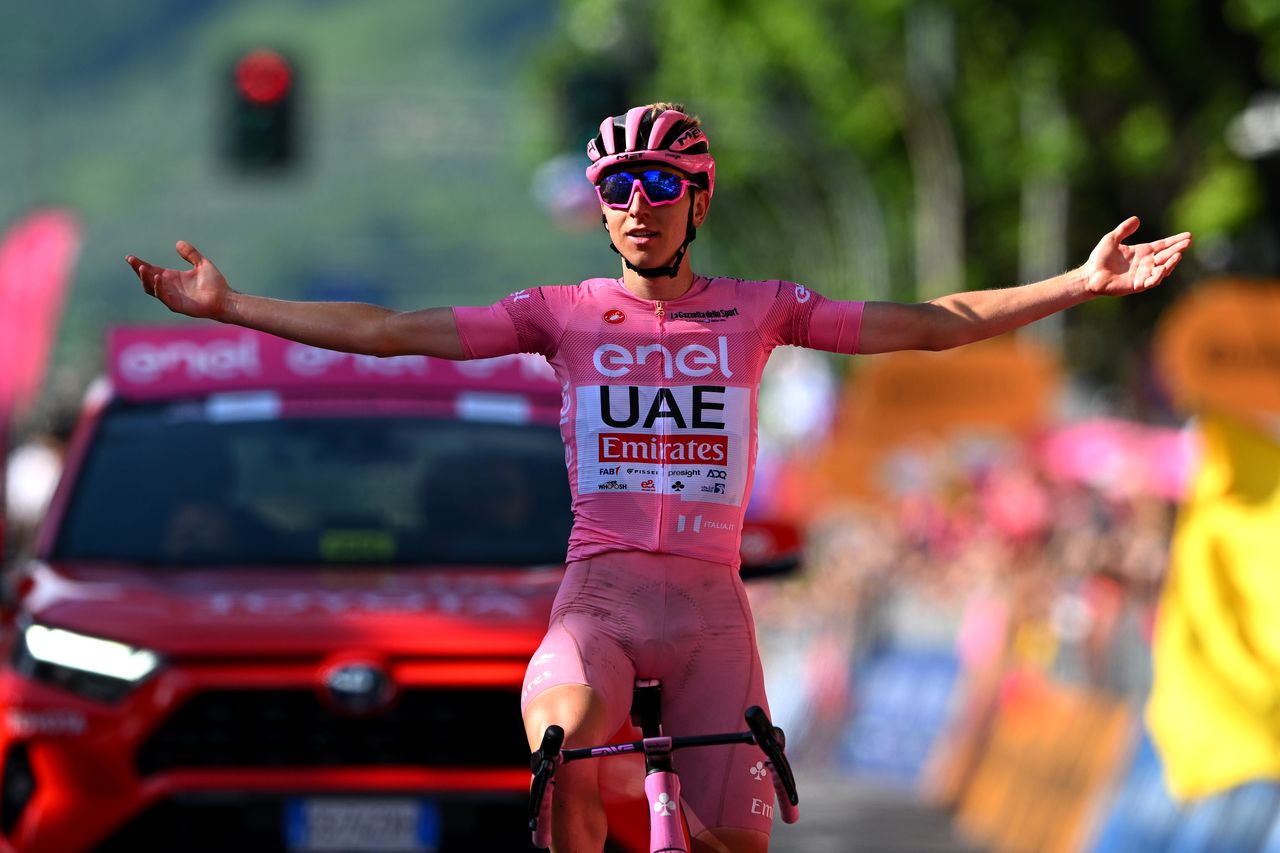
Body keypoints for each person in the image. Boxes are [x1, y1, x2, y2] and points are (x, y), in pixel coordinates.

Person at [126, 102, 1191, 853]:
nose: (635, 204)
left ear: (697, 199)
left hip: (712, 611)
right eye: (614, 188)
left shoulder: (762, 306)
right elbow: (390, 331)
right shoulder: (561, 310)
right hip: (599, 597)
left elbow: (926, 326)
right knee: (565, 745)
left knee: (732, 834)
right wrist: (235, 305)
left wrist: (1076, 283)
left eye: (658, 185)